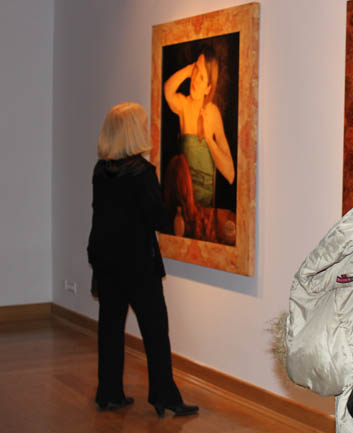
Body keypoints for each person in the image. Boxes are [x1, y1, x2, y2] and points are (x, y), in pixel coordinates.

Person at [87, 102, 199, 418]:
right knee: (155, 332)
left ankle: (108, 392)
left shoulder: (101, 171)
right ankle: (164, 396)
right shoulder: (142, 172)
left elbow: (101, 215)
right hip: (138, 263)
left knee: (110, 328)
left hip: (106, 260)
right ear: (133, 132)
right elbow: (158, 219)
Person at [164, 49, 235, 209]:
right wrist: (189, 69)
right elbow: (168, 90)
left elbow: (230, 174)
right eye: (195, 71)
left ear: (208, 88)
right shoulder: (183, 105)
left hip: (205, 209)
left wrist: (209, 139)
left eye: (202, 77)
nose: (195, 80)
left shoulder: (213, 113)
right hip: (183, 204)